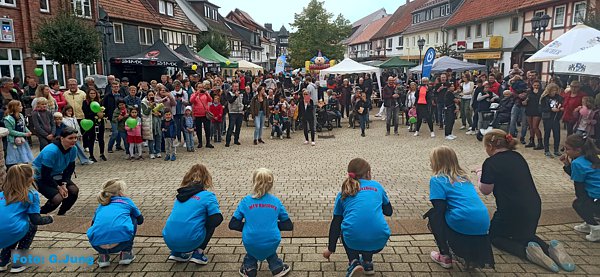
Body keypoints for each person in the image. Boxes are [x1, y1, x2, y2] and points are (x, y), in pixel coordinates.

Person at [477, 129, 574, 272]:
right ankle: (551, 249)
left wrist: (479, 173)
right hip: (533, 207)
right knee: (524, 235)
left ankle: (526, 252)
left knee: (495, 236)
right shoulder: (517, 156)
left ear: (490, 147)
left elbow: (485, 190)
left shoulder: (490, 163)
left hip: (510, 210)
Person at [425, 146, 494, 269]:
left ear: (436, 162)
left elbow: (439, 208)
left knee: (434, 216)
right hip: (483, 221)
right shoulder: (464, 178)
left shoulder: (437, 180)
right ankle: (470, 258)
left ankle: (445, 255)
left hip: (462, 220)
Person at [323, 158, 392, 276]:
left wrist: (331, 248)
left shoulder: (343, 192)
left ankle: (354, 262)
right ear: (368, 173)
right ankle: (367, 262)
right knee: (368, 225)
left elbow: (336, 223)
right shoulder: (377, 186)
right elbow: (389, 212)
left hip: (353, 241)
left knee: (346, 227)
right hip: (379, 240)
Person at [229, 168, 293, 277]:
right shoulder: (276, 201)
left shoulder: (246, 201)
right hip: (272, 240)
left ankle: (249, 269)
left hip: (251, 240)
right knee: (269, 251)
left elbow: (233, 224)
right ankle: (277, 268)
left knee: (253, 250)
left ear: (253, 182)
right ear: (271, 184)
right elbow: (288, 225)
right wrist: (271, 225)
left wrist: (248, 226)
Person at [163, 164, 223, 264]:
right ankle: (198, 253)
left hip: (169, 239)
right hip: (191, 240)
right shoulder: (208, 196)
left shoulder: (180, 195)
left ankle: (177, 252)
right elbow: (217, 219)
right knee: (210, 221)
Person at [0, 165, 54, 273]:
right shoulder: (31, 195)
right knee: (29, 226)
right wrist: (49, 219)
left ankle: (2, 261)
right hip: (13, 231)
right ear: (29, 179)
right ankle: (18, 263)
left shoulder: (2, 194)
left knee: (13, 226)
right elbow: (36, 219)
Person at [87, 179, 143, 268]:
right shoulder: (127, 201)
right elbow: (140, 220)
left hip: (97, 244)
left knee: (100, 225)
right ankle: (126, 253)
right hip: (121, 243)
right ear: (121, 193)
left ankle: (103, 256)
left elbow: (93, 224)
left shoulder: (101, 205)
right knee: (133, 218)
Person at [560, 135, 600, 242]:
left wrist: (583, 204)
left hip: (597, 197)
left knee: (578, 204)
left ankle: (596, 229)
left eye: (567, 149)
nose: (565, 151)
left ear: (578, 150)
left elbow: (579, 186)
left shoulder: (578, 163)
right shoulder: (596, 156)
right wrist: (567, 164)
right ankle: (589, 223)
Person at [33, 127, 79, 215]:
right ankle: (39, 214)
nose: (74, 140)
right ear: (62, 138)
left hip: (56, 174)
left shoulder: (73, 149)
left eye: (75, 138)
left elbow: (70, 169)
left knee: (73, 190)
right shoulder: (51, 151)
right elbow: (45, 175)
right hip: (40, 177)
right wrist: (58, 187)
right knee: (57, 198)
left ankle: (61, 214)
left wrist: (64, 184)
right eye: (70, 138)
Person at [4, 100, 34, 168]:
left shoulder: (21, 115)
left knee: (24, 158)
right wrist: (24, 134)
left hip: (22, 140)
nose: (22, 107)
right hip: (14, 142)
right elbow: (10, 131)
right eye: (20, 106)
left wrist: (28, 131)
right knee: (16, 160)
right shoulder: (8, 119)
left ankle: (24, 169)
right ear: (15, 107)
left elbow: (24, 126)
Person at [539, 83, 564, 158]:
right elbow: (541, 109)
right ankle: (546, 150)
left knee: (557, 134)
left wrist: (561, 109)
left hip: (556, 118)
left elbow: (562, 104)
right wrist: (550, 110)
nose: (554, 92)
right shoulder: (544, 98)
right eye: (552, 90)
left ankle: (556, 150)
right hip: (547, 118)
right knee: (547, 134)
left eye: (555, 90)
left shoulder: (559, 97)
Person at [82, 88, 106, 162]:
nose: (92, 95)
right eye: (91, 93)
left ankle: (102, 153)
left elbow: (103, 110)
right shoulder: (85, 102)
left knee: (101, 138)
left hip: (99, 122)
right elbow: (86, 112)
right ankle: (91, 155)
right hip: (90, 122)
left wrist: (102, 114)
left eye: (94, 93)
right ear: (88, 94)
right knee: (91, 139)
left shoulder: (100, 101)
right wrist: (96, 114)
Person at [190, 82, 214, 149]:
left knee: (207, 129)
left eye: (201, 87)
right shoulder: (194, 94)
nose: (200, 88)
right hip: (197, 114)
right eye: (199, 87)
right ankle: (200, 142)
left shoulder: (205, 94)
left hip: (205, 114)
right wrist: (196, 93)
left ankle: (208, 142)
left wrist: (207, 94)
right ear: (196, 88)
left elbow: (210, 100)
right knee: (198, 129)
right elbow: (191, 101)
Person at [104, 81, 125, 153]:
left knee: (119, 132)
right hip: (113, 117)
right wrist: (106, 115)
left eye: (117, 86)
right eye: (114, 87)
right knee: (115, 132)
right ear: (111, 87)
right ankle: (110, 147)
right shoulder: (107, 96)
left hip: (122, 116)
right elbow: (104, 106)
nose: (116, 88)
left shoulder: (121, 95)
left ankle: (118, 146)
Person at [523, 80, 543, 149]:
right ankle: (532, 141)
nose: (536, 87)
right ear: (532, 85)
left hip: (537, 111)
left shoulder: (542, 92)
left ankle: (540, 142)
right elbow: (526, 100)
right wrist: (525, 102)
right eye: (535, 85)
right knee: (531, 127)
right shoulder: (529, 92)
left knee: (535, 127)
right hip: (529, 109)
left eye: (537, 85)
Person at [225, 82, 243, 147]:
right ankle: (227, 141)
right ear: (232, 87)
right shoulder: (229, 94)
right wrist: (235, 96)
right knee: (231, 127)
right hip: (232, 112)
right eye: (235, 86)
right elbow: (230, 101)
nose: (236, 88)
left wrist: (243, 108)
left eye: (237, 86)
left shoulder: (241, 94)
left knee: (238, 127)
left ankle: (236, 140)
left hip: (240, 112)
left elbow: (242, 101)